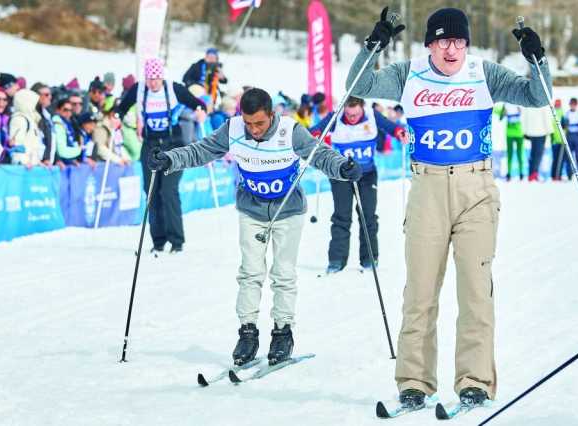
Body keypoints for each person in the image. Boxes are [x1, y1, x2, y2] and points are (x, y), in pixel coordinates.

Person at [347, 7, 551, 408]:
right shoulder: (409, 74)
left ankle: (474, 380)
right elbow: (359, 84)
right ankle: (414, 381)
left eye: (458, 40)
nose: (451, 48)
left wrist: (537, 61)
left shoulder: (483, 72)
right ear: (430, 44)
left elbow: (537, 96)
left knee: (476, 292)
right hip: (427, 187)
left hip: (476, 187)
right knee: (420, 292)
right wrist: (373, 46)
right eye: (442, 40)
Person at [146, 87, 360, 366]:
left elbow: (319, 154)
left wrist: (343, 168)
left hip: (287, 210)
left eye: (259, 123)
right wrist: (170, 159)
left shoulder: (290, 131)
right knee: (250, 272)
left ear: (272, 115)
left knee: (283, 273)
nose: (254, 129)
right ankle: (247, 333)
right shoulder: (233, 128)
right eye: (248, 123)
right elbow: (203, 150)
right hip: (251, 209)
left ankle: (283, 332)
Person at [116, 57, 206, 254]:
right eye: (150, 79)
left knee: (168, 191)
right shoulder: (139, 90)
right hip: (150, 146)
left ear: (162, 77)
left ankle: (177, 241)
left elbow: (198, 103)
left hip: (173, 146)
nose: (153, 83)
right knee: (151, 193)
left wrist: (201, 111)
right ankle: (158, 241)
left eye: (156, 79)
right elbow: (121, 108)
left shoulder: (174, 89)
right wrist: (117, 118)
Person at [310, 96, 407, 273]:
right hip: (341, 175)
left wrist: (399, 132)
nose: (352, 118)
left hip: (367, 174)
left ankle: (369, 259)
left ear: (362, 107)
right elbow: (315, 130)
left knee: (368, 216)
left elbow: (392, 127)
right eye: (349, 114)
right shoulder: (336, 116)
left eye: (355, 114)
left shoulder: (372, 115)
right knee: (341, 216)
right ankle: (336, 261)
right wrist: (316, 135)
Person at [9, 89, 43, 168]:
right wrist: (22, 161)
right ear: (27, 102)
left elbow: (33, 144)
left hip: (32, 166)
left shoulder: (32, 119)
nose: (36, 105)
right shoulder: (19, 119)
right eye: (34, 102)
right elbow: (16, 144)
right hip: (22, 168)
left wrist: (37, 161)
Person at [522, 105, 553, 181]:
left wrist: (525, 132)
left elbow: (525, 117)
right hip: (541, 132)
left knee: (533, 154)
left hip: (532, 132)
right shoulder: (542, 103)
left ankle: (532, 173)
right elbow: (546, 117)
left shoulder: (528, 103)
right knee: (538, 154)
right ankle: (534, 174)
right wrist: (550, 131)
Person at [53, 98, 85, 166]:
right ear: (58, 110)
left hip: (67, 161)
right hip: (60, 164)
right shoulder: (58, 124)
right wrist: (79, 150)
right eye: (65, 110)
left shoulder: (70, 123)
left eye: (70, 110)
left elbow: (70, 143)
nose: (68, 113)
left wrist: (72, 160)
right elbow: (61, 151)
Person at [497, 103, 524, 180]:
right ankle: (509, 174)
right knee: (510, 154)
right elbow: (500, 118)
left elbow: (524, 114)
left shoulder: (519, 101)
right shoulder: (505, 104)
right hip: (510, 133)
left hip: (519, 133)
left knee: (520, 154)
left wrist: (520, 111)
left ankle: (521, 173)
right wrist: (503, 113)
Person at [561, 97, 578, 179]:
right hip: (569, 136)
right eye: (571, 104)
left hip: (577, 137)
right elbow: (562, 125)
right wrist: (565, 124)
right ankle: (569, 175)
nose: (573, 106)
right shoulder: (566, 114)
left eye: (574, 105)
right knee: (569, 158)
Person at [550, 99, 565, 181]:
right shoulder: (553, 112)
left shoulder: (562, 113)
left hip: (560, 140)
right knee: (556, 159)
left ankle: (557, 175)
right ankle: (554, 175)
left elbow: (565, 126)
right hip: (555, 140)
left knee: (559, 159)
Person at [0, 87, 10, 163]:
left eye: (4, 100)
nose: (2, 102)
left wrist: (10, 144)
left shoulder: (5, 120)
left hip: (0, 164)